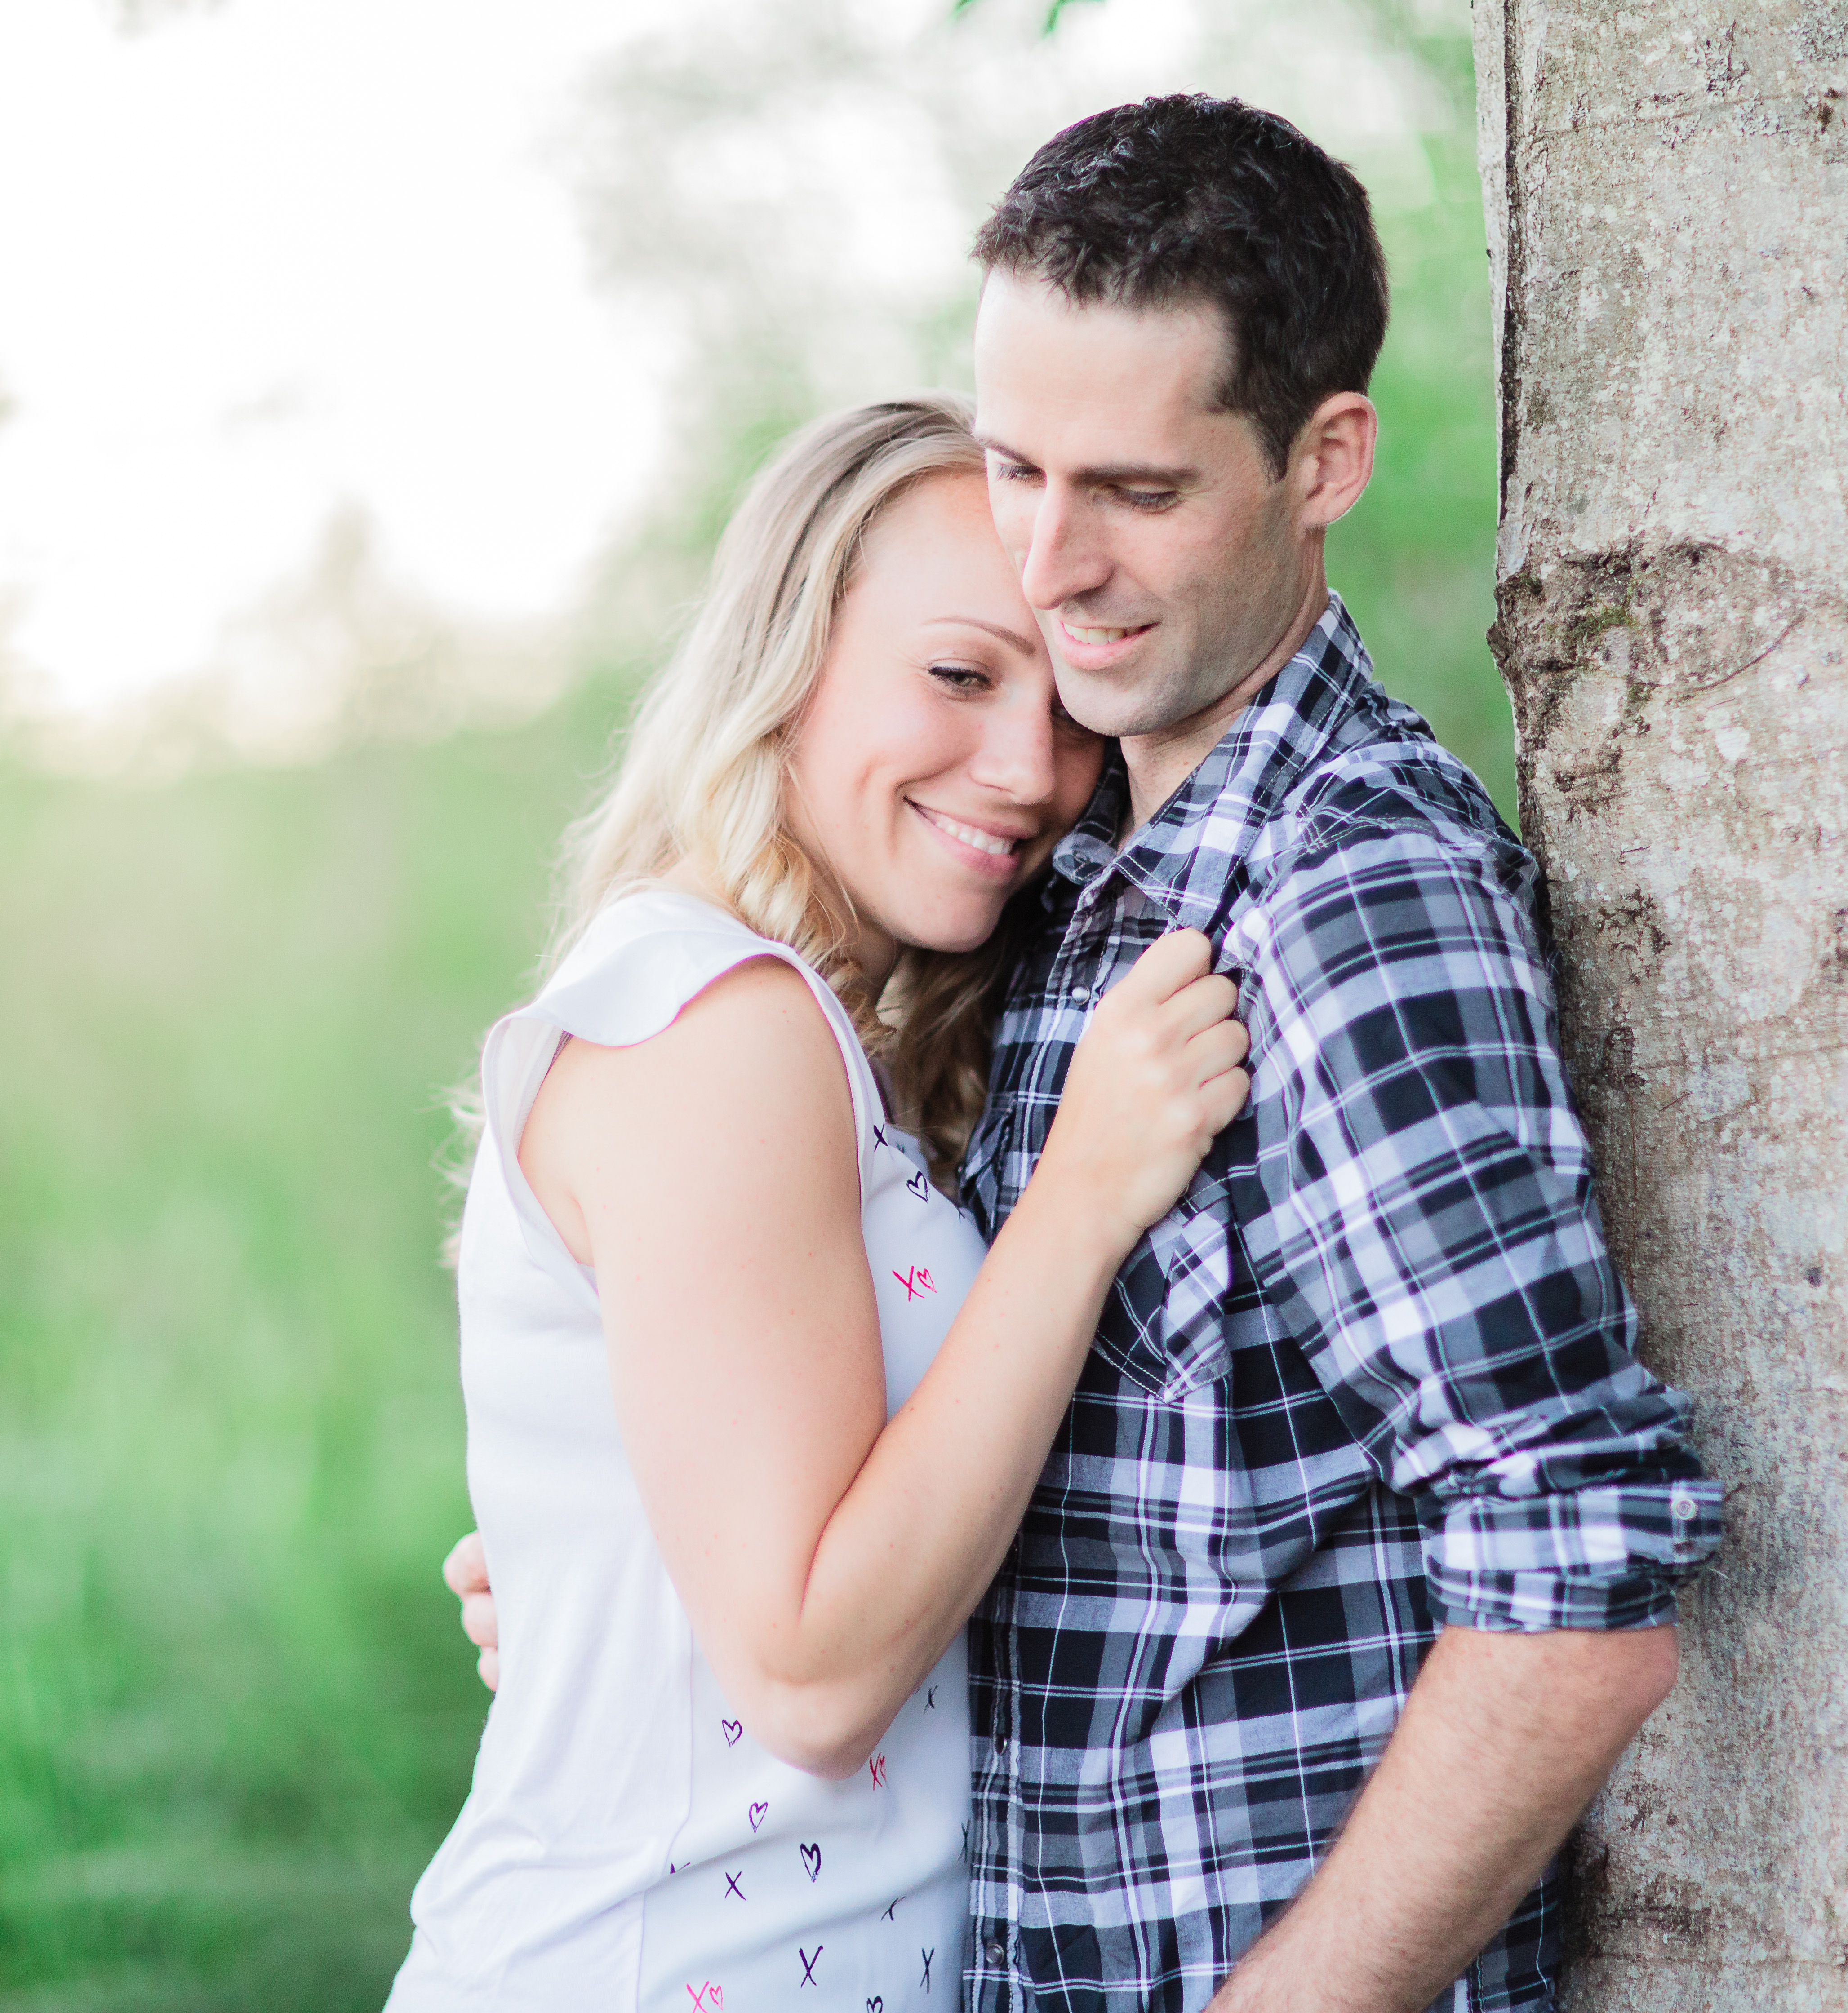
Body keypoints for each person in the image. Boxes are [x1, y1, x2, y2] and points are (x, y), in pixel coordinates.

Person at [449, 96, 1725, 2013]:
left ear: (1325, 460)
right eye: (1018, 471)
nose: (1055, 562)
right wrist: (617, 1575)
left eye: (1135, 491)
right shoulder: (1058, 902)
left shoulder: (1340, 900)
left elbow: (1579, 1545)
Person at [385, 394, 1253, 2013]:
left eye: (1065, 703)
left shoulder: (822, 1037)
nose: (1031, 770)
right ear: (786, 658)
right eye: (957, 673)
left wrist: (610, 1595)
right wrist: (1084, 1200)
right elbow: (808, 1670)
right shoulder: (720, 1022)